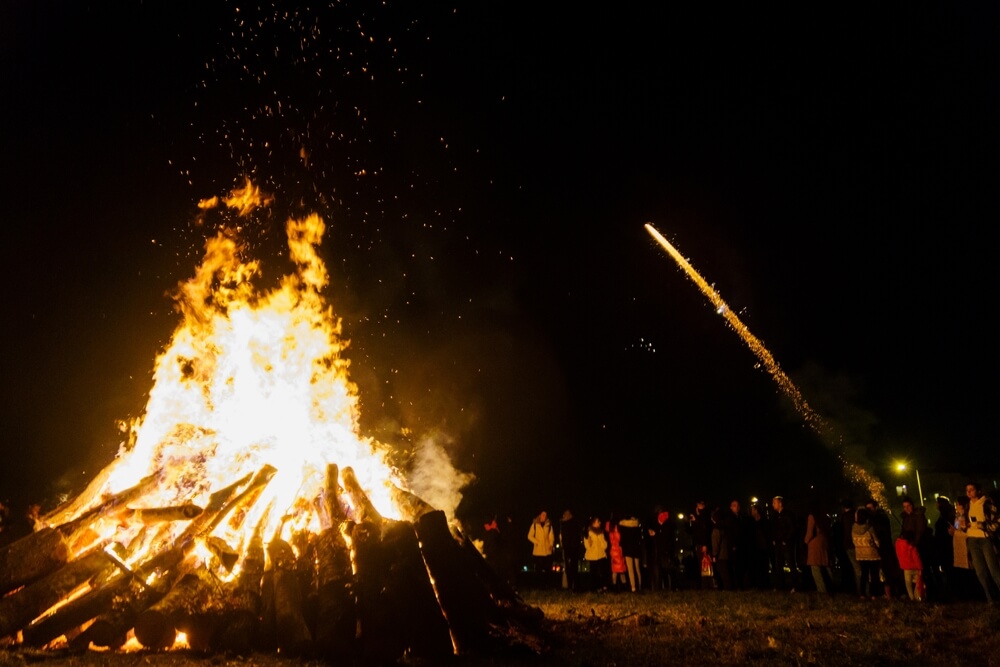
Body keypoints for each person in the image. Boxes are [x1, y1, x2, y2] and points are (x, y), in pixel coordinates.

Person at [964, 481, 1000, 603]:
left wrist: (983, 525)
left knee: (993, 569)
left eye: (971, 489)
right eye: (967, 490)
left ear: (978, 491)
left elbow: (996, 522)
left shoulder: (987, 503)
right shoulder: (967, 505)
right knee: (980, 571)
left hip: (985, 539)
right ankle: (991, 599)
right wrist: (965, 526)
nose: (968, 492)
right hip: (972, 539)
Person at [896, 496, 926, 601]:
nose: (907, 508)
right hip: (908, 547)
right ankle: (912, 596)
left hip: (917, 547)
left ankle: (921, 595)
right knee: (908, 574)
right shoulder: (905, 518)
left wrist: (915, 543)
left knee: (920, 573)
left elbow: (920, 531)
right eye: (904, 507)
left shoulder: (918, 516)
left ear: (912, 506)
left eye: (908, 506)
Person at [853, 507, 882, 599]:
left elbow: (854, 541)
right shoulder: (869, 528)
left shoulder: (853, 528)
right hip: (872, 554)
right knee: (874, 574)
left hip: (860, 554)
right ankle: (874, 594)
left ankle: (862, 594)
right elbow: (876, 541)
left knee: (864, 574)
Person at [803, 503, 833, 594]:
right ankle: (831, 587)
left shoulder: (812, 517)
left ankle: (822, 589)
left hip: (815, 544)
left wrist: (805, 541)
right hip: (824, 542)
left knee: (815, 567)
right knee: (826, 565)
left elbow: (810, 532)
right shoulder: (825, 517)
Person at [771, 496, 798, 590]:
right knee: (779, 565)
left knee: (791, 564)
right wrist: (774, 539)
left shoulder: (788, 515)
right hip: (778, 543)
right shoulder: (775, 516)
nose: (772, 505)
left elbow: (792, 528)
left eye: (774, 503)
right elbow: (774, 529)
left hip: (786, 544)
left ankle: (794, 585)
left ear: (780, 503)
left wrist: (786, 540)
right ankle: (780, 585)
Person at [527, 511, 555, 587]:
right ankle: (539, 585)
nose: (544, 516)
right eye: (542, 515)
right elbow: (529, 536)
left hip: (547, 551)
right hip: (538, 551)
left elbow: (551, 536)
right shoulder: (534, 525)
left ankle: (547, 584)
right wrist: (537, 542)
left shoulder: (549, 525)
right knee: (538, 570)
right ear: (539, 516)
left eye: (545, 515)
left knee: (548, 570)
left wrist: (551, 544)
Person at [618, 514, 643, 592]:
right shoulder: (637, 526)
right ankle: (639, 585)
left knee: (630, 569)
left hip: (627, 549)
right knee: (637, 568)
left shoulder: (623, 527)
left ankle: (633, 587)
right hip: (636, 549)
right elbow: (640, 539)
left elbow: (622, 540)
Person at [583, 517, 609, 592]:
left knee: (602, 572)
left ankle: (602, 586)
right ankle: (594, 588)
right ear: (593, 523)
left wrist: (602, 541)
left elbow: (605, 545)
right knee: (593, 573)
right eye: (598, 521)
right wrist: (590, 543)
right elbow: (587, 545)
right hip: (592, 556)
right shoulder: (588, 532)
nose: (600, 522)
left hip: (601, 555)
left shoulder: (601, 532)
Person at [559, 509, 582, 591]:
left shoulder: (566, 525)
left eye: (565, 514)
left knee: (569, 569)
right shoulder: (575, 524)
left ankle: (570, 586)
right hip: (574, 549)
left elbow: (566, 539)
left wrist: (566, 549)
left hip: (569, 549)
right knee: (574, 569)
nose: (563, 516)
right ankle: (574, 586)